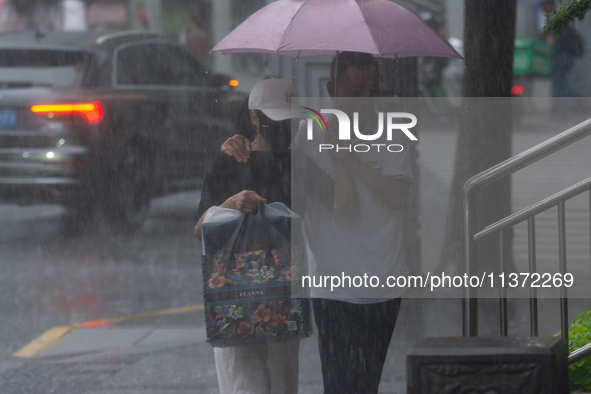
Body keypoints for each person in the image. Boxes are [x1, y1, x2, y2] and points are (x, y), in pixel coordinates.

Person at [221, 52, 413, 394]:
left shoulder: (394, 132)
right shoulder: (306, 133)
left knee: (366, 382)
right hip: (332, 282)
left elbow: (396, 196)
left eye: (373, 89)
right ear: (331, 88)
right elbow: (266, 157)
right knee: (338, 382)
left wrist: (348, 155)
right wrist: (237, 144)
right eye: (356, 90)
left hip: (384, 280)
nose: (366, 99)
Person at [194, 78, 356, 394]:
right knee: (246, 385)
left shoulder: (299, 163)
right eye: (277, 120)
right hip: (237, 302)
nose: (285, 127)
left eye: (292, 120)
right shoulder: (230, 160)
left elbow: (345, 204)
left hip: (283, 300)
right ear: (255, 117)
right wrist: (230, 204)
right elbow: (199, 229)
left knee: (282, 385)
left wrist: (341, 155)